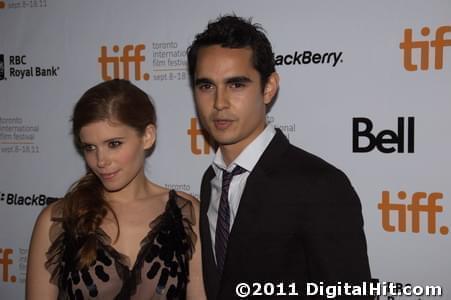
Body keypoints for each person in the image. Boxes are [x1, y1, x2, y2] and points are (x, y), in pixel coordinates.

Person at [187, 15, 372, 299]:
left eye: (236, 84)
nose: (219, 103)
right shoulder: (211, 180)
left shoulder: (320, 186)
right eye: (206, 86)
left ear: (268, 87)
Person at [26, 79, 206, 300]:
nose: (101, 161)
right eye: (90, 147)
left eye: (114, 144)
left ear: (147, 136)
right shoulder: (59, 219)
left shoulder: (185, 213)